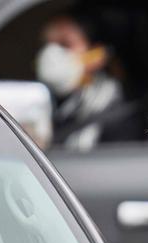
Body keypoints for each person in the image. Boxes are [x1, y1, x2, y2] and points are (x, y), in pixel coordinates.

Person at [35, 11, 123, 152]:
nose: (52, 55)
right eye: (47, 45)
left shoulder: (116, 113)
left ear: (96, 53)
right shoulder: (43, 106)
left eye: (64, 44)